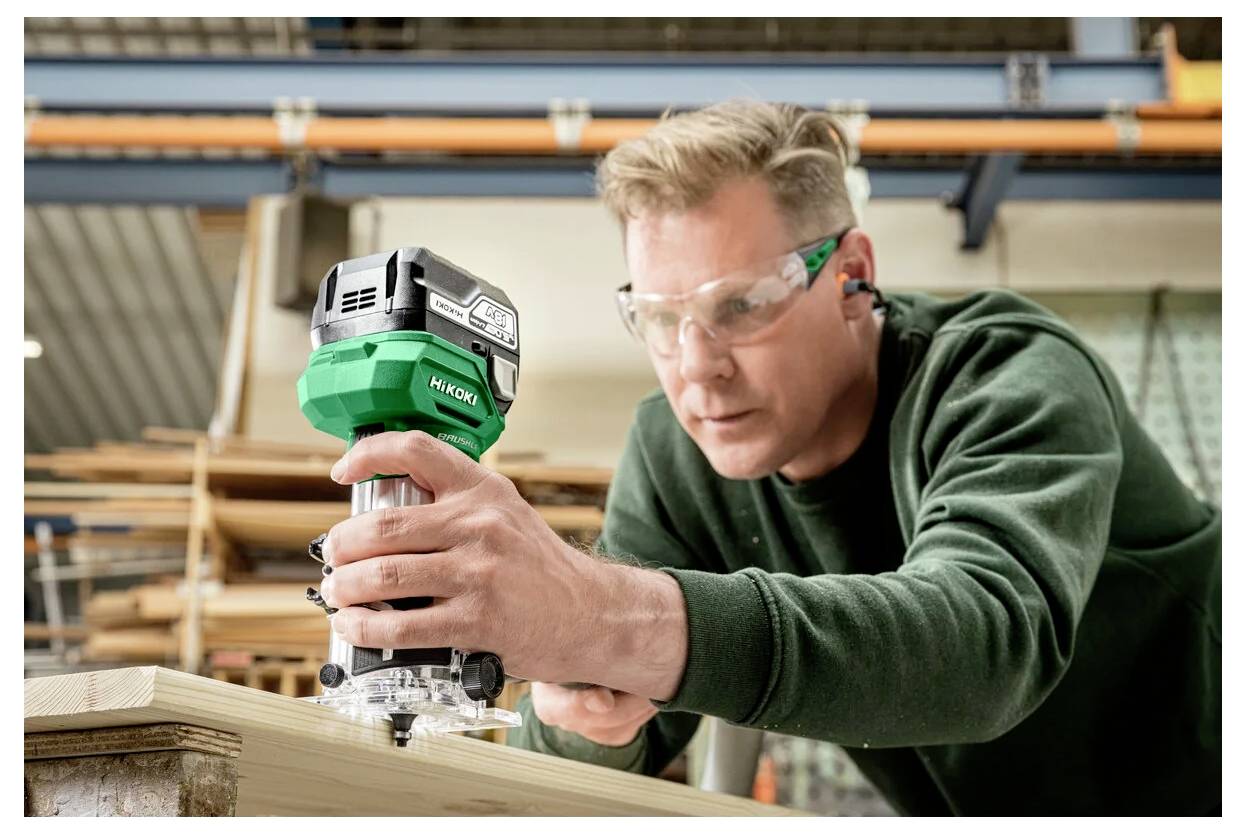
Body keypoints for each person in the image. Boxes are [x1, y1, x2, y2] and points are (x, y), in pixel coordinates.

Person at [316, 100, 1221, 815]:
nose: (697, 365)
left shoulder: (1008, 371)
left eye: (742, 305)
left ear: (854, 273)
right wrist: (579, 699)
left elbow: (985, 642)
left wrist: (602, 613)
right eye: (662, 320)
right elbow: (595, 748)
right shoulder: (676, 454)